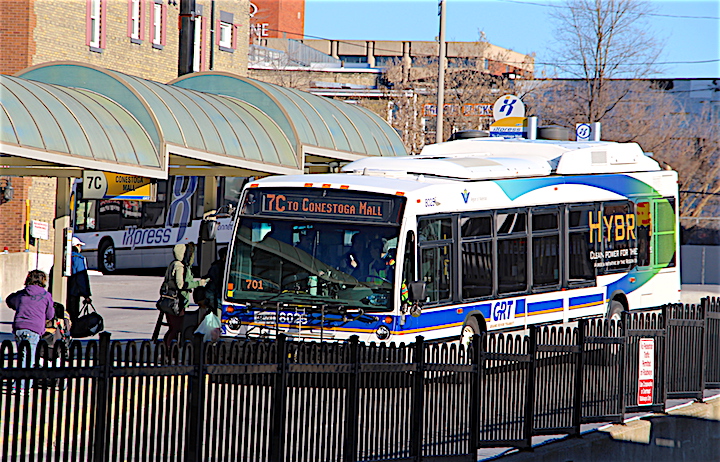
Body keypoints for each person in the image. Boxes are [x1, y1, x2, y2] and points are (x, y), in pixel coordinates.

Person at [6, 270, 55, 390]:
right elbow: (50, 315)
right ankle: (21, 386)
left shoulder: (22, 294)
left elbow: (9, 300)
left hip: (19, 327)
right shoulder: (45, 295)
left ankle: (20, 382)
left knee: (23, 356)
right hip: (34, 329)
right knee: (29, 358)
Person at [162, 243, 208, 348]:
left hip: (170, 300)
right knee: (176, 328)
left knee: (173, 327)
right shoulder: (179, 266)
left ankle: (167, 349)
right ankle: (170, 351)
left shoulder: (172, 264)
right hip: (177, 302)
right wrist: (198, 283)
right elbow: (181, 285)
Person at [67, 236, 91, 322]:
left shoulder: (62, 256)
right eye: (79, 245)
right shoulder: (78, 258)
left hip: (63, 292)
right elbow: (81, 277)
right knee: (73, 317)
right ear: (76, 246)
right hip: (74, 293)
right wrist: (86, 295)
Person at [203, 247, 227, 318]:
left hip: (218, 301)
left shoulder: (216, 267)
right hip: (218, 301)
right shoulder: (218, 268)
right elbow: (212, 286)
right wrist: (212, 303)